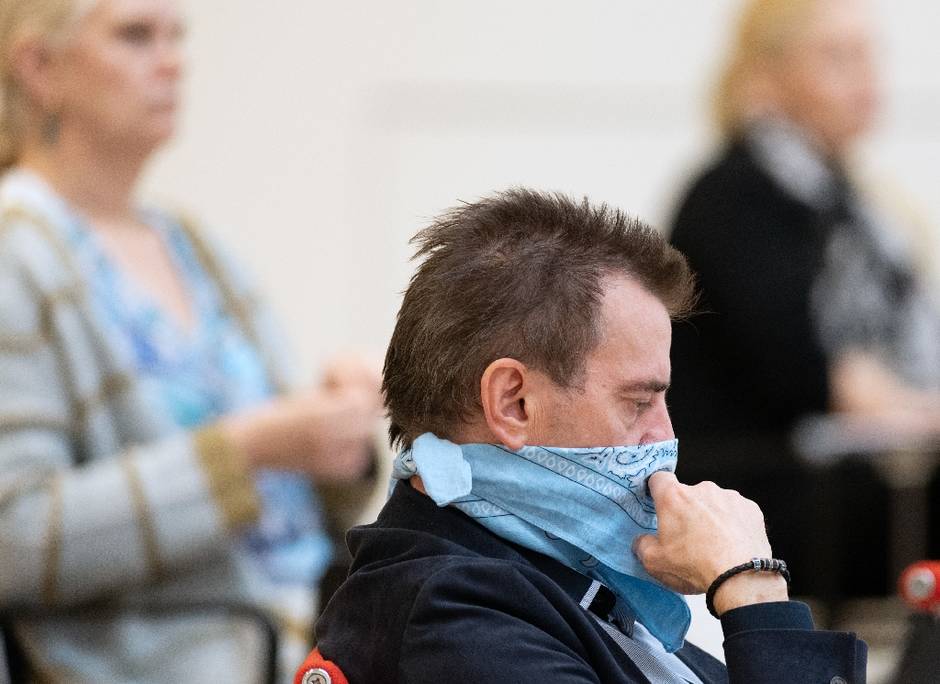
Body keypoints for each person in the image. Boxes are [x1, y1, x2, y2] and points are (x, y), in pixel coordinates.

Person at [297, 189, 867, 684]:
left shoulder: (563, 581)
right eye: (639, 401)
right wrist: (753, 595)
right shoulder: (452, 616)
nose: (665, 434)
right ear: (513, 402)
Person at [0, 0, 380, 681]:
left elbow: (283, 465)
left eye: (179, 36)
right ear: (39, 67)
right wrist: (248, 448)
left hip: (306, 631)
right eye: (136, 35)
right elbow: (14, 539)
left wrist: (333, 436)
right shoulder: (14, 247)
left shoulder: (193, 245)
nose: (174, 62)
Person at [666, 0, 940, 598]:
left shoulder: (856, 203)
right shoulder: (734, 195)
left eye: (870, 55)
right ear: (767, 76)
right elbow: (810, 371)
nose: (866, 77)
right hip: (769, 493)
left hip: (840, 477)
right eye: (837, 57)